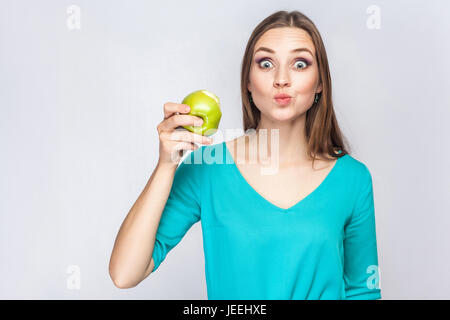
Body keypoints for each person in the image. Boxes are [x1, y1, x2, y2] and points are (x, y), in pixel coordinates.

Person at [109, 10, 381, 300]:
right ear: (248, 82)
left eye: (299, 64)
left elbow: (362, 290)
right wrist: (166, 165)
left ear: (319, 83)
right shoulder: (208, 168)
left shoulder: (353, 178)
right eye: (266, 63)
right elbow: (125, 273)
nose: (281, 79)